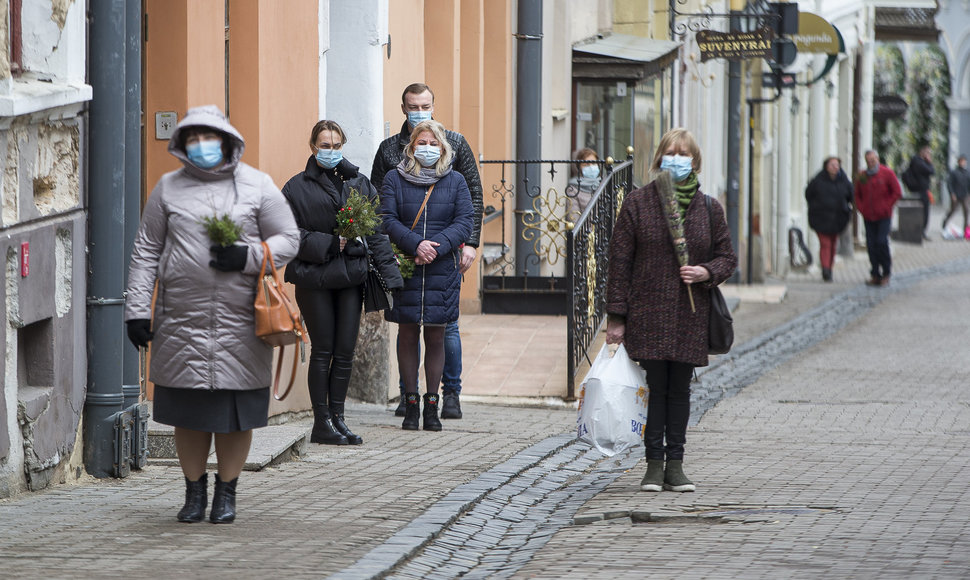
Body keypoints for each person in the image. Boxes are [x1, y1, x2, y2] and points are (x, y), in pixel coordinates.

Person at [125, 105, 299, 524]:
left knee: (236, 414)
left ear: (226, 141)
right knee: (189, 414)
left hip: (243, 320)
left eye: (210, 137)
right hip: (180, 319)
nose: (202, 146)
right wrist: (136, 309)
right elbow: (147, 249)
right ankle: (193, 493)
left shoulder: (257, 185)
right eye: (194, 139)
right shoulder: (168, 188)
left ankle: (227, 493)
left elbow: (289, 238)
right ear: (183, 145)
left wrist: (248, 256)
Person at [604, 128, 737, 493]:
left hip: (688, 315)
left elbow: (727, 257)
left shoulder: (709, 208)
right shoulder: (638, 203)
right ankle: (652, 465)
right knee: (655, 388)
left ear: (695, 162)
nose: (677, 160)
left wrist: (706, 271)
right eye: (670, 153)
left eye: (684, 154)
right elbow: (619, 262)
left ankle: (675, 465)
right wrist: (616, 317)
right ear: (659, 158)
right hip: (648, 312)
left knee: (679, 390)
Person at [281, 120, 403, 446]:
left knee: (345, 352)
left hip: (351, 277)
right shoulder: (295, 188)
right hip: (314, 278)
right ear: (312, 146)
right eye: (325, 145)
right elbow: (288, 236)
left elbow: (376, 232)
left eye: (336, 146)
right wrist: (329, 244)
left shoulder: (359, 183)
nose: (331, 151)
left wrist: (392, 278)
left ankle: (338, 417)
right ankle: (321, 422)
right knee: (324, 350)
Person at [371, 83, 483, 420]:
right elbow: (380, 205)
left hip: (443, 258)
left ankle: (448, 396)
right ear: (403, 107)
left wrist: (467, 244)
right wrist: (408, 245)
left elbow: (471, 201)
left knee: (444, 328)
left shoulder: (457, 146)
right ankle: (409, 399)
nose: (420, 111)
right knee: (407, 328)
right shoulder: (390, 152)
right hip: (405, 258)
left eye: (425, 105)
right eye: (413, 106)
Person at [854, 150, 902, 287]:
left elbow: (897, 192)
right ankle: (875, 273)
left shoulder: (887, 173)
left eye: (873, 160)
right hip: (868, 215)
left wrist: (887, 206)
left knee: (881, 242)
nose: (870, 163)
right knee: (871, 245)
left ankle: (886, 272)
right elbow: (857, 194)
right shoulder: (862, 176)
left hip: (884, 215)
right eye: (868, 161)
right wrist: (861, 208)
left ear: (877, 159)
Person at [804, 157, 853, 282]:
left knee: (833, 244)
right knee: (825, 244)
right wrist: (816, 207)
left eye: (837, 165)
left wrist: (846, 209)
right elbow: (809, 194)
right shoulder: (818, 180)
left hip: (837, 218)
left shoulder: (844, 181)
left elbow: (851, 195)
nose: (835, 167)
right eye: (832, 165)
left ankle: (829, 268)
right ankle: (826, 269)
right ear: (826, 166)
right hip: (821, 218)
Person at [904, 146, 935, 240]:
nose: (929, 155)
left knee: (921, 211)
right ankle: (920, 232)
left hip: (920, 189)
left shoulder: (916, 161)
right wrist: (929, 162)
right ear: (923, 153)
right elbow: (931, 171)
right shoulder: (919, 162)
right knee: (923, 212)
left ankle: (920, 231)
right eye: (928, 153)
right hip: (921, 190)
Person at [565, 147, 602, 218]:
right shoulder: (573, 189)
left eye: (593, 163)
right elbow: (573, 217)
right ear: (579, 168)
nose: (591, 167)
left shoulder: (603, 183)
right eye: (586, 164)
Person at [942, 154, 970, 239]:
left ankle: (965, 229)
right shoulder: (954, 172)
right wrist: (952, 193)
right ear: (958, 162)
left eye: (964, 161)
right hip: (956, 195)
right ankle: (945, 223)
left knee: (966, 211)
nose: (963, 163)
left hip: (965, 195)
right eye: (961, 161)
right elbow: (949, 183)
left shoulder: (967, 173)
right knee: (953, 210)